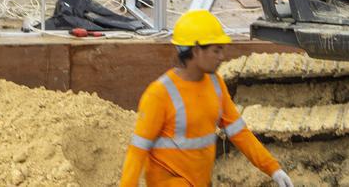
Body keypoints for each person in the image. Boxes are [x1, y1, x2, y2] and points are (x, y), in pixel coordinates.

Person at [120, 10, 293, 187]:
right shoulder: (159, 94)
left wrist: (273, 169)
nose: (222, 57)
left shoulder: (215, 84)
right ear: (196, 51)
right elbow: (138, 150)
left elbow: (239, 132)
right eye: (216, 50)